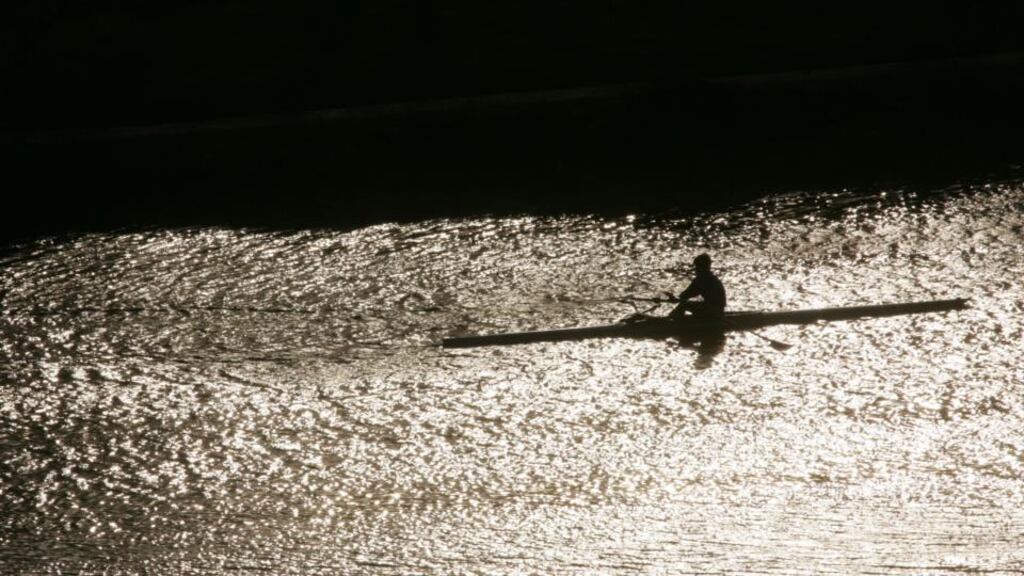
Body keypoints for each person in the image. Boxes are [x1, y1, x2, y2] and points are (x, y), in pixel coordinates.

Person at [668, 253, 726, 319]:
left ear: (702, 267)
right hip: (718, 311)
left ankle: (674, 322)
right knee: (686, 303)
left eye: (697, 267)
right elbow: (686, 295)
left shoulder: (701, 280)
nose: (696, 270)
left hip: (712, 311)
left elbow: (685, 295)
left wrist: (674, 299)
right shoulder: (712, 278)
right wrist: (675, 299)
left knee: (684, 305)